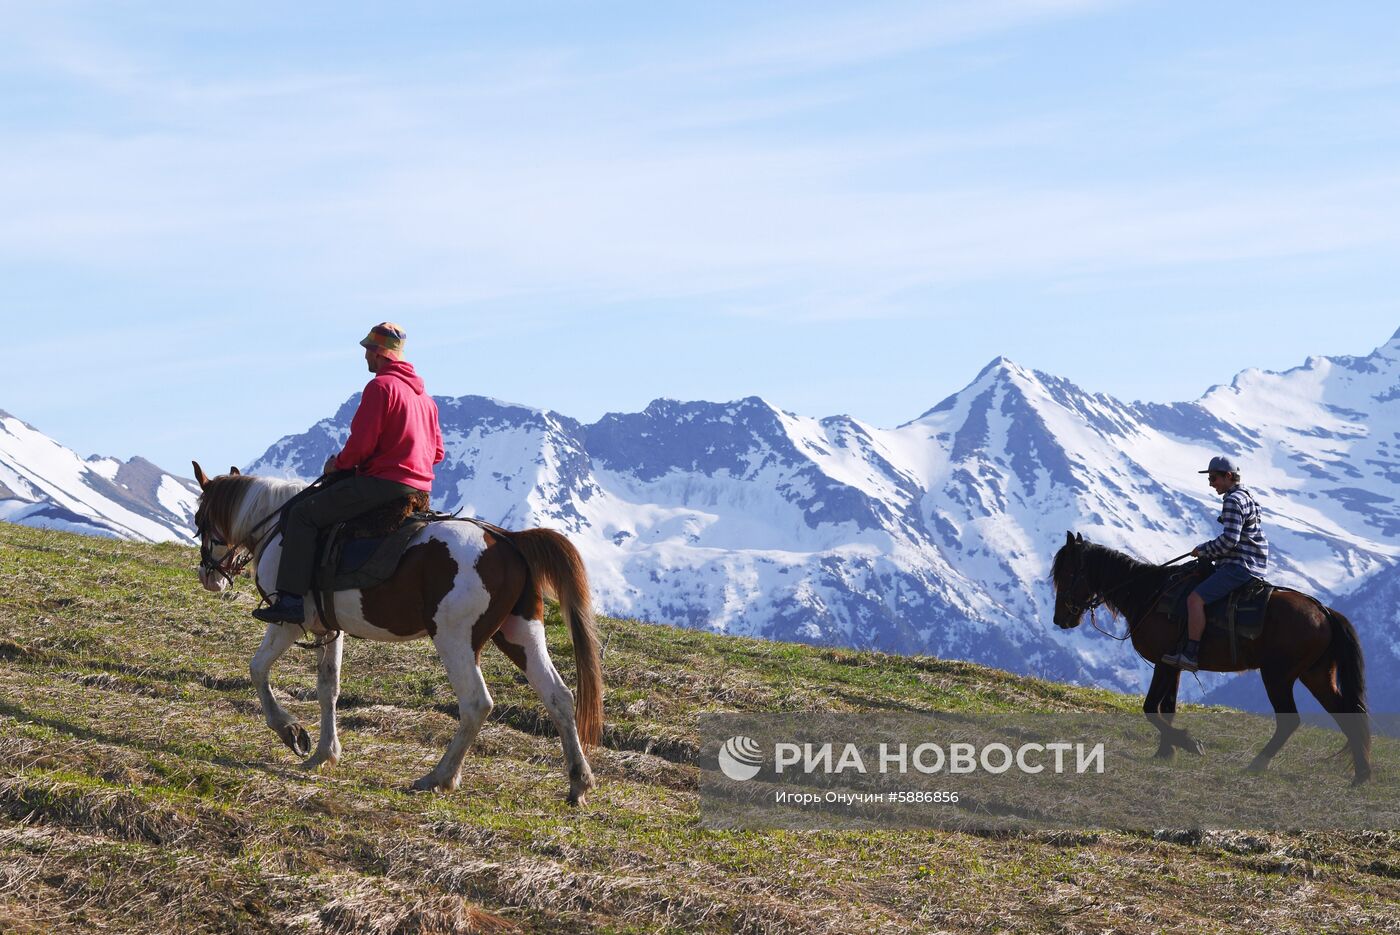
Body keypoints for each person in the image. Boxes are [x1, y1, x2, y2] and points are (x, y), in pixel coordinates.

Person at [254, 322, 444, 624]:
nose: (365, 356)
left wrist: (338, 465)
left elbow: (362, 445)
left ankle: (290, 600)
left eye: (368, 349)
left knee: (302, 514)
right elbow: (437, 453)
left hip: (383, 485)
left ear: (378, 352)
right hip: (419, 490)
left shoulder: (381, 387)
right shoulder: (426, 400)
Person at [1162, 455, 1268, 672]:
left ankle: (1191, 653)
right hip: (1253, 563)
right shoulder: (1247, 497)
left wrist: (1204, 550)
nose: (1211, 484)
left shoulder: (1232, 500)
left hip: (1239, 565)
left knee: (1194, 599)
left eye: (1213, 478)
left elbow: (1230, 540)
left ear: (1228, 476)